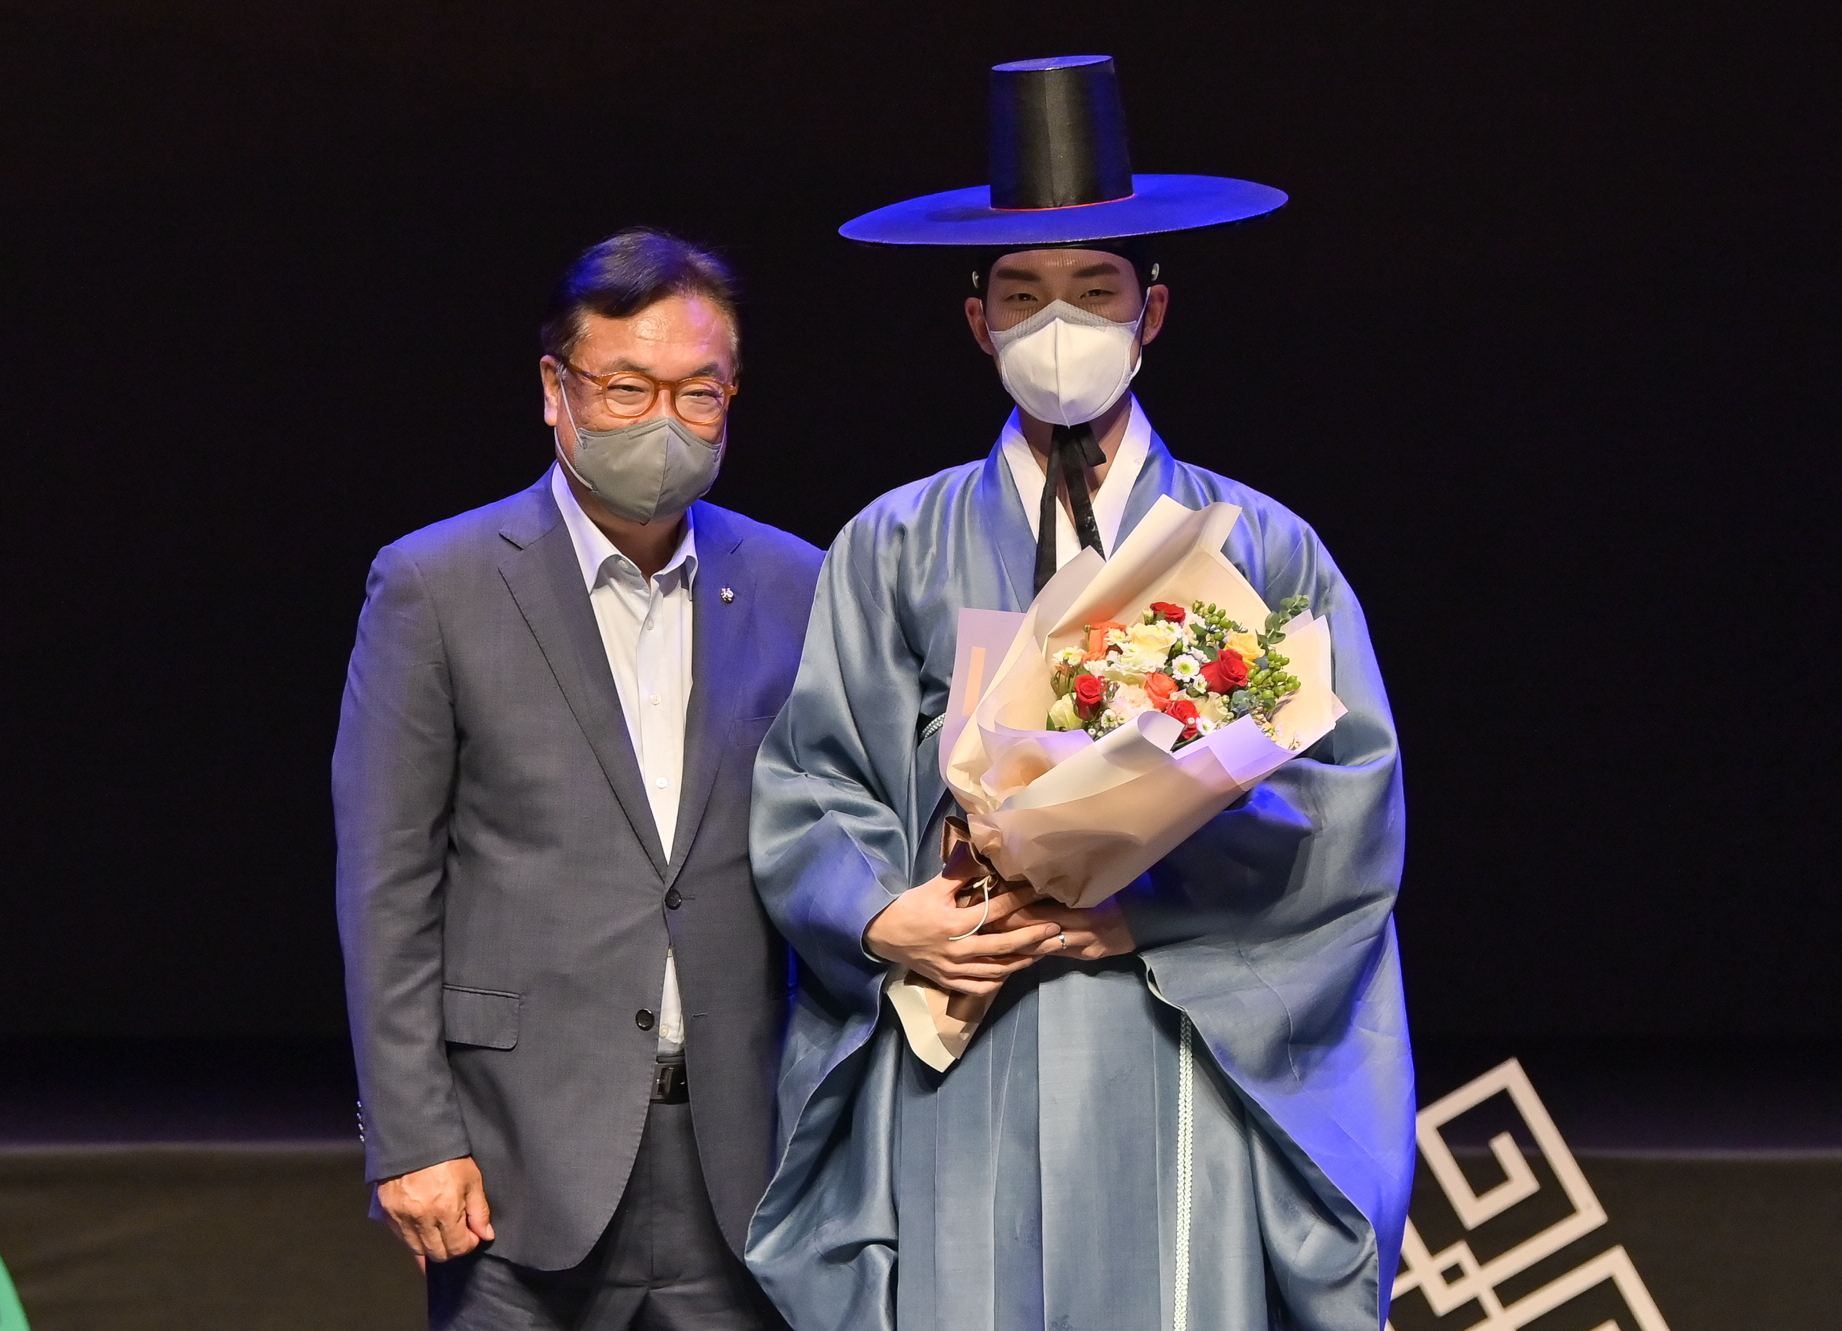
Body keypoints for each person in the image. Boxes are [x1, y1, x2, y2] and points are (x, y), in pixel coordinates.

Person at [746, 57, 1413, 1330]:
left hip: (1170, 1030)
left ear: (1149, 309)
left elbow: (1346, 802)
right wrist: (886, 917)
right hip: (967, 1025)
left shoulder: (1262, 548)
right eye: (1023, 292)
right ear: (977, 320)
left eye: (1093, 289)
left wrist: (1152, 906)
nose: (1059, 320)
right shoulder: (893, 543)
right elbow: (812, 776)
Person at [335, 228, 820, 1330]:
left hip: (744, 1152)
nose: (663, 422)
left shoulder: (795, 581)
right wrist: (412, 1136)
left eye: (698, 393)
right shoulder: (437, 583)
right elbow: (386, 883)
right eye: (625, 388)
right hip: (514, 1158)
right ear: (555, 389)